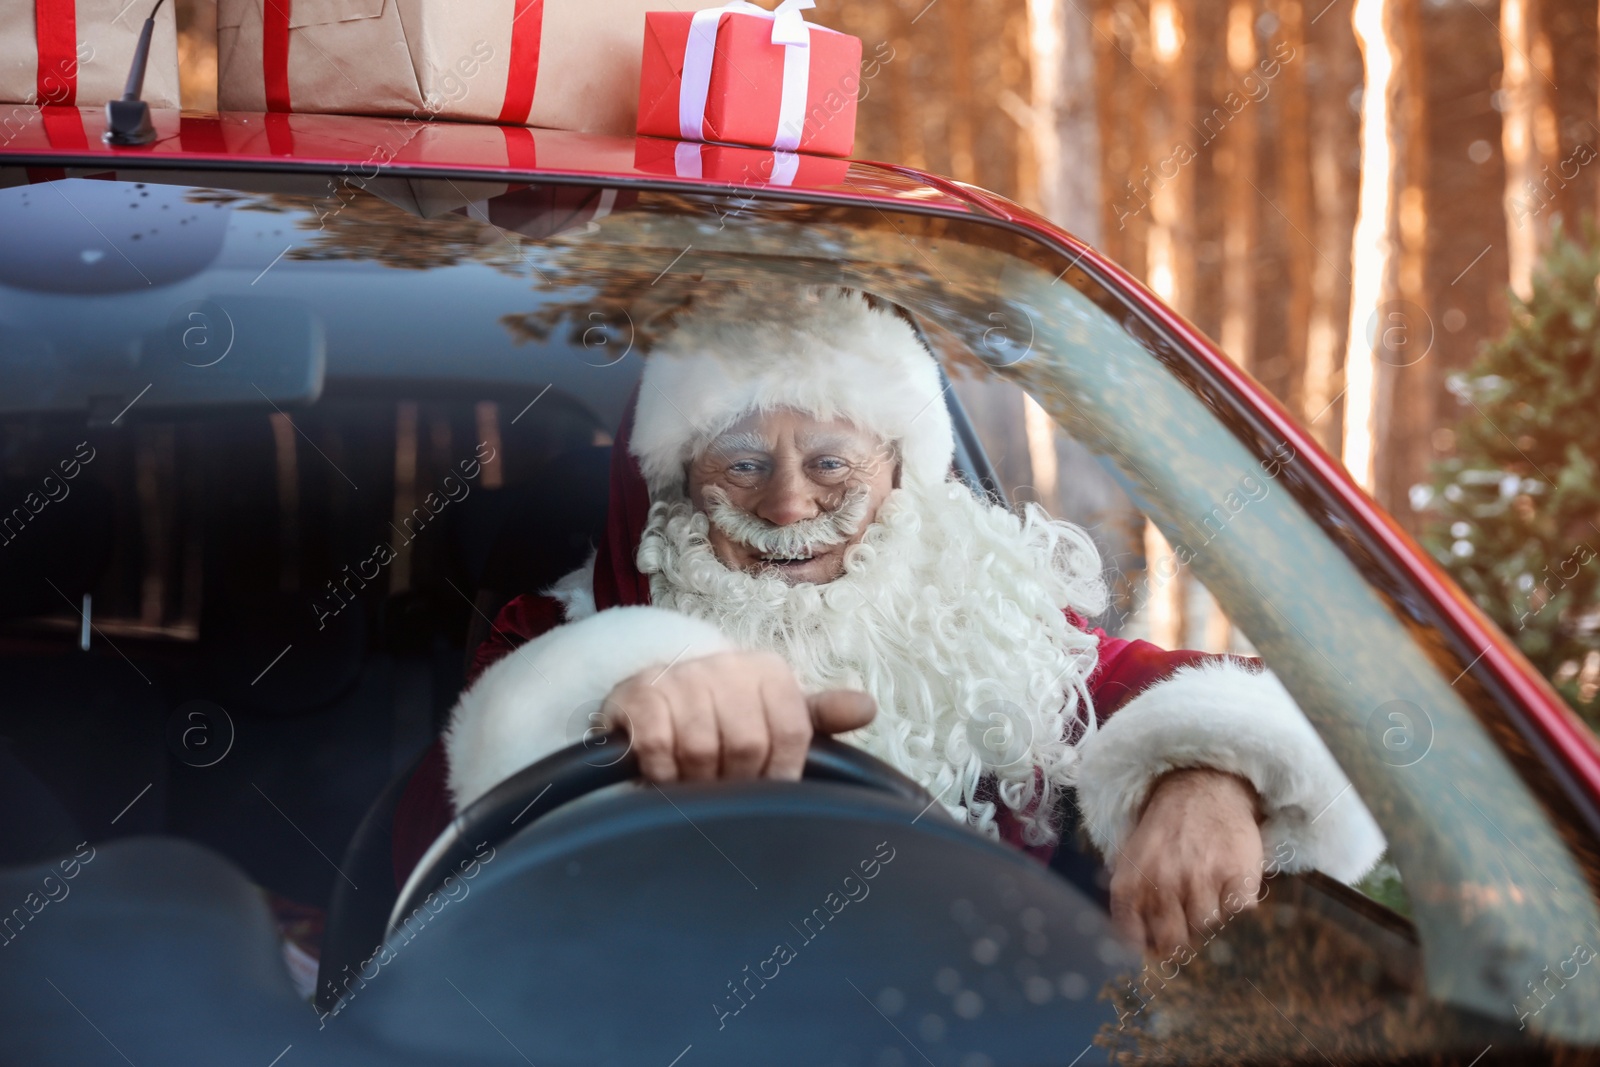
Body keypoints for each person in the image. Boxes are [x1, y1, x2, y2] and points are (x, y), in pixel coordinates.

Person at [393, 287, 1384, 954]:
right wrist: (624, 706)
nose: (788, 505)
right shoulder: (559, 630)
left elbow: (1210, 694)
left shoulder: (995, 624)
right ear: (679, 488)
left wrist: (1209, 770)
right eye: (742, 461)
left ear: (900, 474)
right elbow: (437, 849)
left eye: (830, 462)